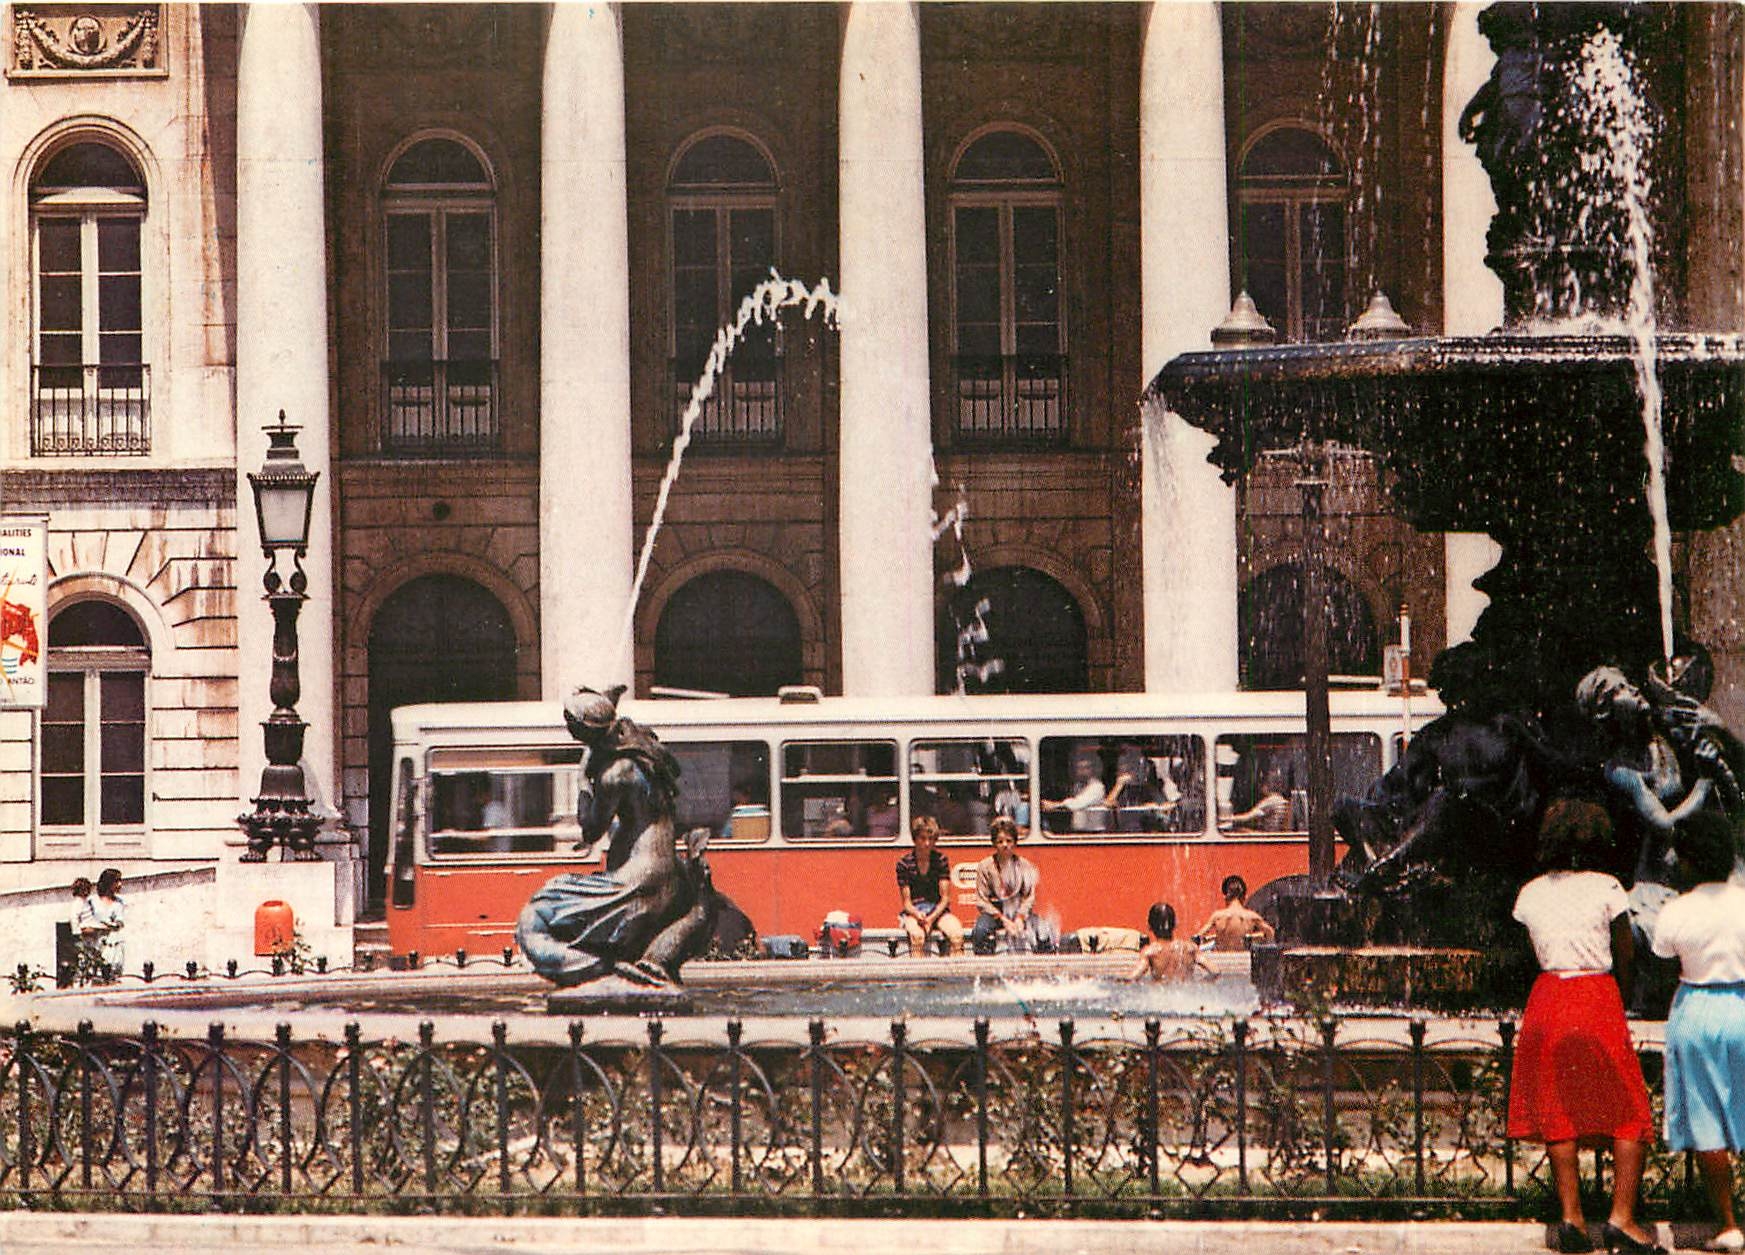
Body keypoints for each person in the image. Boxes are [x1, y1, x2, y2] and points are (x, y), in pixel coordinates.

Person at [1507, 799, 1661, 1255]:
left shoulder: (1530, 892)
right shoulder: (1608, 887)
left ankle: (1571, 1218)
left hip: (1548, 996)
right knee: (1630, 1111)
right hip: (1595, 994)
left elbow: (1523, 955)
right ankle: (1622, 1218)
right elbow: (1625, 950)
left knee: (1559, 1110)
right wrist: (1625, 995)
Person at [1650, 811, 1745, 1253]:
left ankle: (1727, 1223)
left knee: (1708, 1119)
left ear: (1687, 860)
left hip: (1696, 1007)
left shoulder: (1677, 909)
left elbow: (1663, 953)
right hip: (1742, 1003)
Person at [895, 815, 964, 957]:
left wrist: (931, 918)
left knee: (957, 935)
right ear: (915, 839)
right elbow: (907, 903)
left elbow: (945, 899)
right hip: (914, 911)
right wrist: (918, 915)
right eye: (922, 838)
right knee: (917, 937)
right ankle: (918, 978)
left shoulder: (941, 861)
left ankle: (956, 977)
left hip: (937, 910)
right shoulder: (904, 864)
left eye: (931, 839)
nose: (927, 843)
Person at [970, 815, 1039, 954]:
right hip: (994, 913)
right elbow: (981, 900)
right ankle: (985, 972)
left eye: (1009, 841)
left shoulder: (1024, 865)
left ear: (1015, 842)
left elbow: (1029, 897)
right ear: (994, 843)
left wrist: (1020, 917)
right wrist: (1003, 919)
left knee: (1043, 931)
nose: (1005, 845)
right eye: (1000, 841)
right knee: (980, 931)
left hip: (1019, 910)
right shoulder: (985, 866)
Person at [1192, 874, 1275, 951]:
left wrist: (1214, 938)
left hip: (1221, 960)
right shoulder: (1252, 917)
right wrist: (1253, 938)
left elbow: (1197, 937)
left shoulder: (1217, 916)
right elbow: (1270, 933)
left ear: (1226, 897)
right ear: (1244, 897)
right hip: (1243, 960)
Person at [1129, 902, 1208, 983]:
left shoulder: (1150, 952)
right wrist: (1200, 983)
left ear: (1149, 926)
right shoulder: (1190, 948)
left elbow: (1132, 978)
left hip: (1161, 994)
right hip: (1187, 993)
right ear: (1175, 924)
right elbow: (1215, 972)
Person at [1041, 751, 1108, 832]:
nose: (1082, 771)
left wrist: (1054, 805)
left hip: (1093, 832)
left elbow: (1078, 803)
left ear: (1093, 769)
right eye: (1079, 768)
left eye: (1086, 768)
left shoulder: (1097, 787)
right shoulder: (1077, 786)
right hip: (1079, 831)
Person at [81, 868, 125, 982]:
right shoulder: (92, 901)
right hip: (94, 942)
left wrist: (106, 926)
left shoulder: (118, 903)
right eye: (117, 881)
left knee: (112, 976)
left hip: (112, 944)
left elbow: (118, 924)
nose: (120, 884)